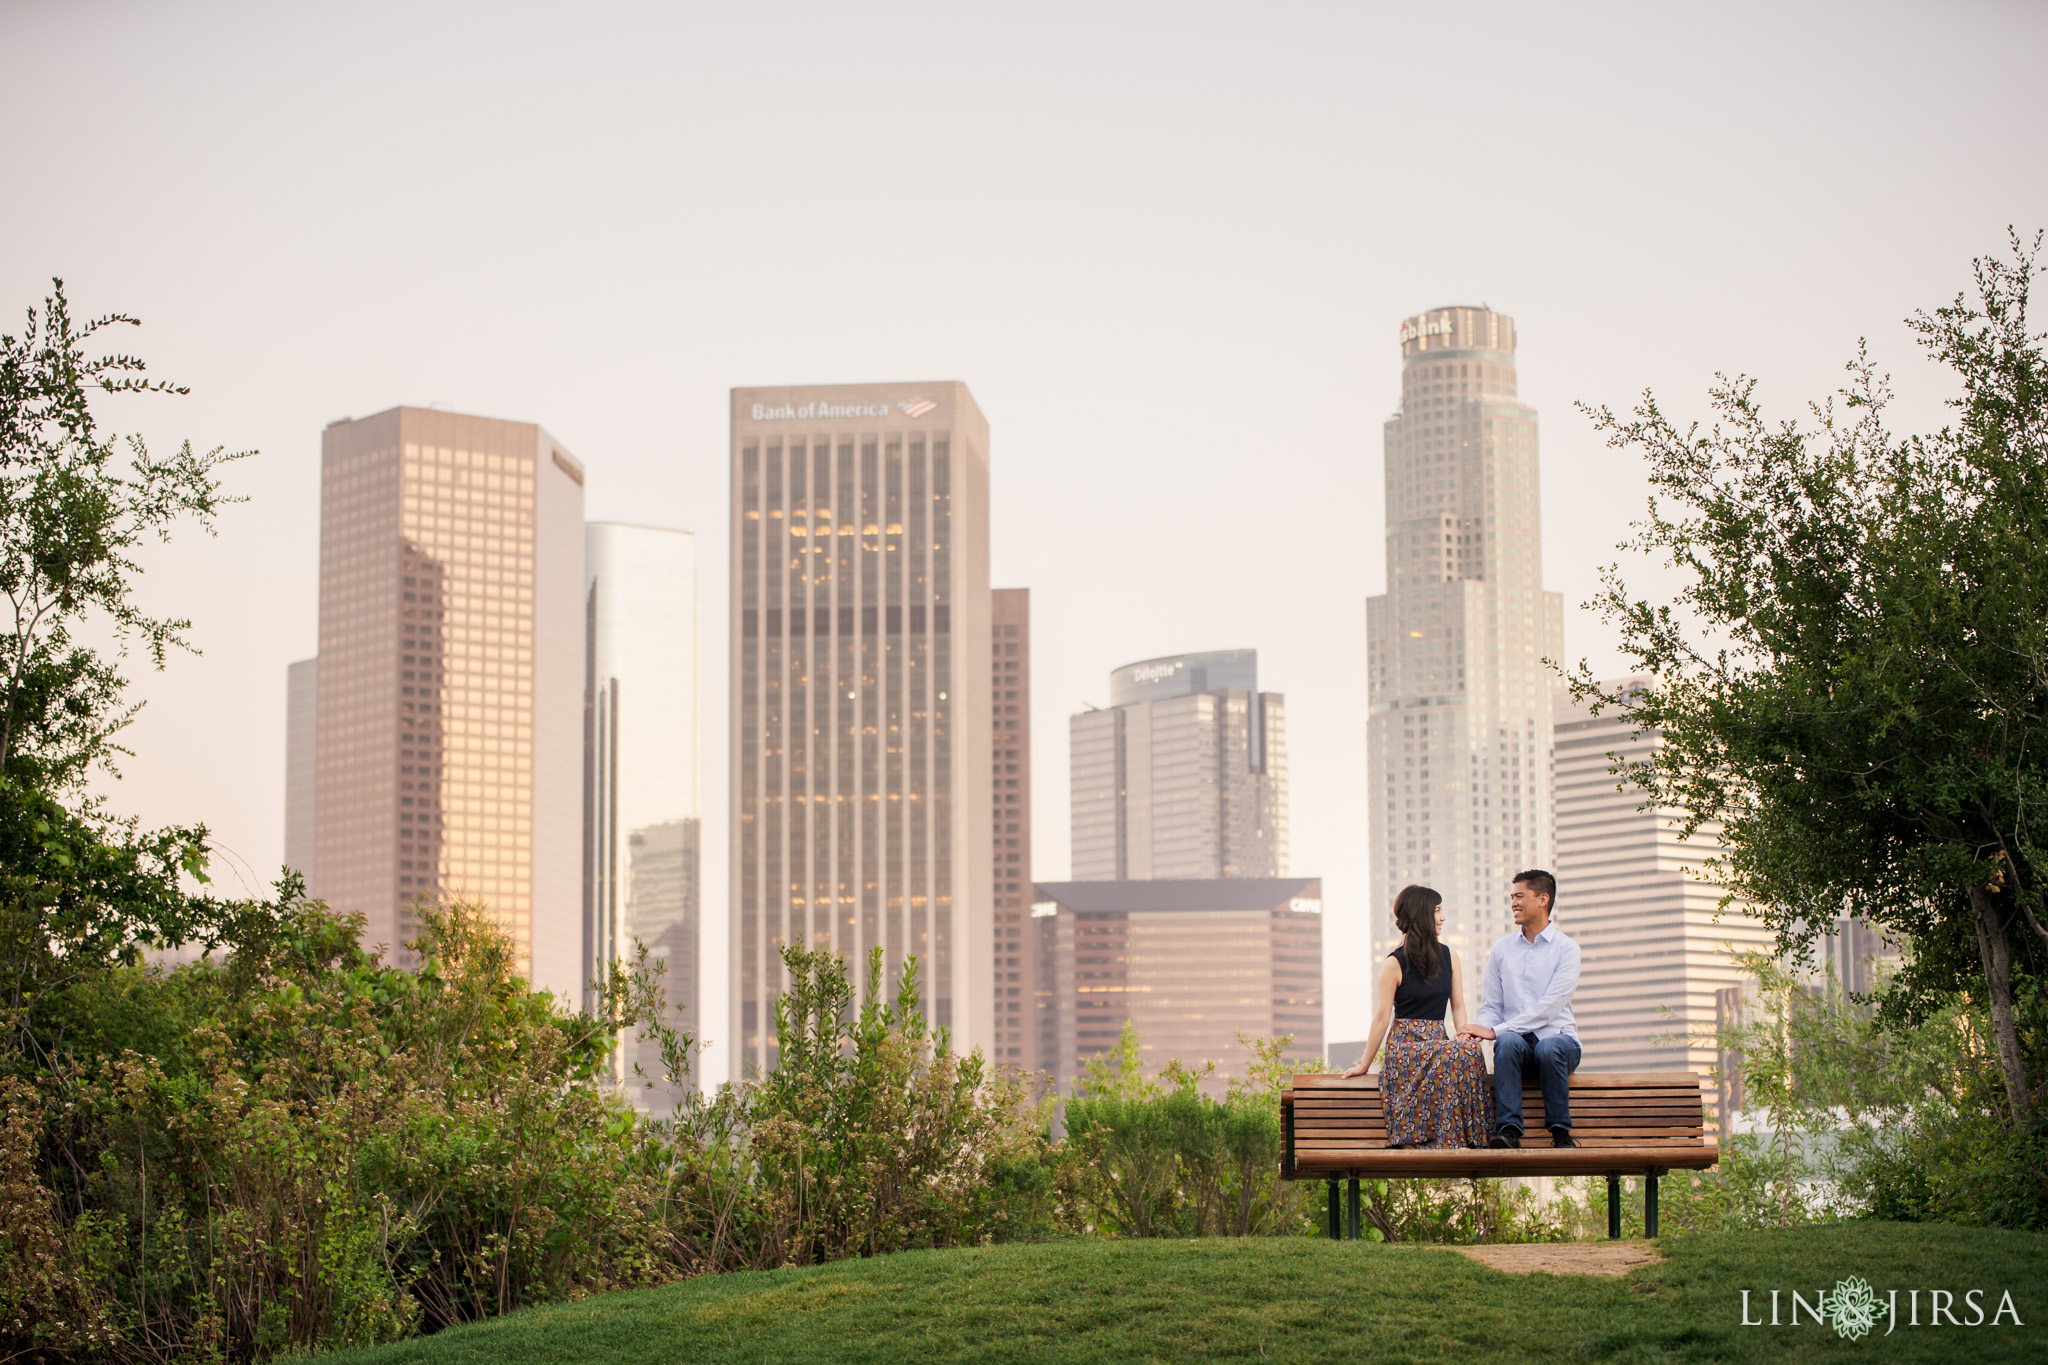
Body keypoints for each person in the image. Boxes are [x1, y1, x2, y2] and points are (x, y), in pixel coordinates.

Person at [1342, 884, 1488, 1149]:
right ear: (1422, 915)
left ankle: (1469, 1139)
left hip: (1439, 1044)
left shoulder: (1449, 956)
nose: (1442, 918)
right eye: (1437, 911)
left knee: (1470, 1050)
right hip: (1406, 1047)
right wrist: (1365, 1064)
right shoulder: (1394, 963)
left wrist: (1463, 1033)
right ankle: (1442, 1139)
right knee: (1456, 1053)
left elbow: (1457, 1004)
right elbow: (1381, 1018)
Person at [1456, 869, 1581, 1148]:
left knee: (1545, 1047)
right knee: (1509, 1041)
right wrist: (1479, 1029)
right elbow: (1492, 1007)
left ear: (1543, 899)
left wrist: (1495, 1030)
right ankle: (1509, 1130)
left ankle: (1561, 1133)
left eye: (1520, 896)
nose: (1513, 902)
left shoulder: (1567, 949)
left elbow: (1549, 1008)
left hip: (1560, 1043)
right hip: (1519, 1050)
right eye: (1512, 896)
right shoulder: (1501, 950)